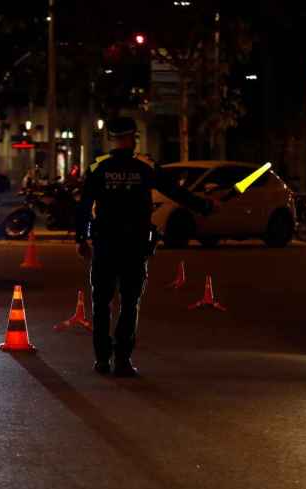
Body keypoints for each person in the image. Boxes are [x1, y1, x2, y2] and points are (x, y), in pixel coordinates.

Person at [75, 117, 212, 377]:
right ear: (132, 138)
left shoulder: (97, 167)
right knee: (129, 303)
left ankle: (103, 360)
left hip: (105, 245)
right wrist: (203, 206)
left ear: (111, 139)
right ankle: (123, 360)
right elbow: (175, 192)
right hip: (135, 246)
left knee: (101, 303)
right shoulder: (146, 166)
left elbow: (83, 206)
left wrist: (81, 238)